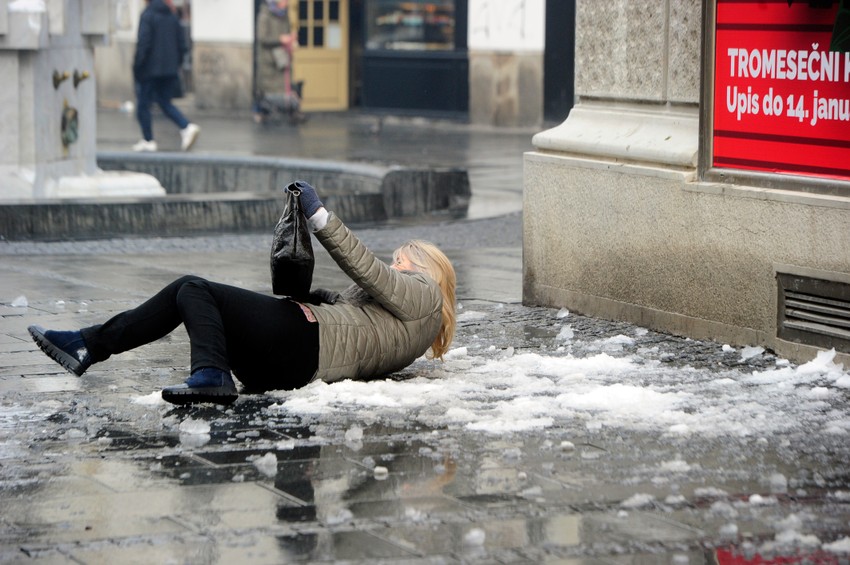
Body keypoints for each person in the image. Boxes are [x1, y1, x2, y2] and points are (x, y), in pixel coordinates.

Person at [27, 181, 457, 406]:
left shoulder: (425, 296)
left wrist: (320, 216)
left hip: (306, 343)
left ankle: (205, 373)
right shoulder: (413, 322)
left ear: (424, 267)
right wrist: (313, 292)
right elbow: (357, 322)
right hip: (293, 363)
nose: (394, 265)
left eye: (402, 261)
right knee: (190, 296)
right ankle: (89, 344)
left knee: (194, 289)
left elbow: (367, 269)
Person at [132, 0, 200, 152]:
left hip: (150, 69)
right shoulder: (172, 16)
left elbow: (144, 43)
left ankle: (148, 139)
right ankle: (186, 126)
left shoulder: (148, 15)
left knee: (143, 104)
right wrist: (176, 65)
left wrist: (137, 67)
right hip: (169, 70)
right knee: (164, 102)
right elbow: (182, 44)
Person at [254, 0, 306, 125]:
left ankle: (292, 111)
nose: (286, 3)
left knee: (286, 85)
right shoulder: (265, 15)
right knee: (267, 88)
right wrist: (280, 39)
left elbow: (287, 32)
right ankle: (261, 111)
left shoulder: (284, 15)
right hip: (268, 59)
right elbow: (262, 37)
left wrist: (290, 39)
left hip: (282, 57)